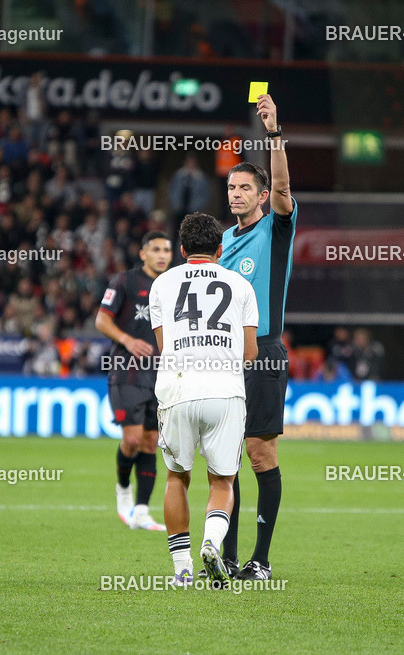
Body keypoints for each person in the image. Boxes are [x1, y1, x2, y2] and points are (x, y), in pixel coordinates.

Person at [149, 213, 258, 585]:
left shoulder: (162, 284)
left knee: (177, 477)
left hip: (177, 390)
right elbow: (251, 352)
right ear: (220, 249)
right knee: (223, 481)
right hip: (225, 392)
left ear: (181, 250)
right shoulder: (241, 285)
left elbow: (164, 347)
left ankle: (181, 569)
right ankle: (212, 543)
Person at [216, 93, 297, 581]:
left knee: (259, 452)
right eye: (231, 187)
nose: (236, 194)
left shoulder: (277, 229)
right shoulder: (224, 240)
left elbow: (284, 183)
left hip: (263, 352)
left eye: (245, 188)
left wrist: (273, 132)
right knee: (225, 455)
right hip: (223, 355)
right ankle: (225, 556)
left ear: (263, 196)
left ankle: (260, 560)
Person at [95, 230, 172, 531]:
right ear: (143, 254)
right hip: (126, 371)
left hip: (160, 375)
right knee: (132, 439)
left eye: (166, 249)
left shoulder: (172, 286)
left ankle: (141, 511)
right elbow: (102, 319)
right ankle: (123, 489)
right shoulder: (125, 281)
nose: (162, 255)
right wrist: (127, 339)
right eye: (155, 249)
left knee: (151, 442)